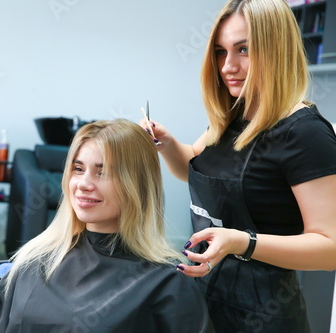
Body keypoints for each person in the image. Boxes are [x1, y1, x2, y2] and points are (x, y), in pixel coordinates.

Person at [140, 0, 336, 332]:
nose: (228, 66)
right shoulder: (232, 118)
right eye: (220, 51)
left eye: (243, 49)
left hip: (263, 315)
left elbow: (329, 247)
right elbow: (194, 169)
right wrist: (168, 144)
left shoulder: (305, 134)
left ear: (277, 50)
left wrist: (242, 242)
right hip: (205, 300)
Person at [0, 119, 210, 333]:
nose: (83, 184)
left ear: (136, 185)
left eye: (102, 172)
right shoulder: (32, 263)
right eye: (78, 169)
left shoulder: (167, 283)